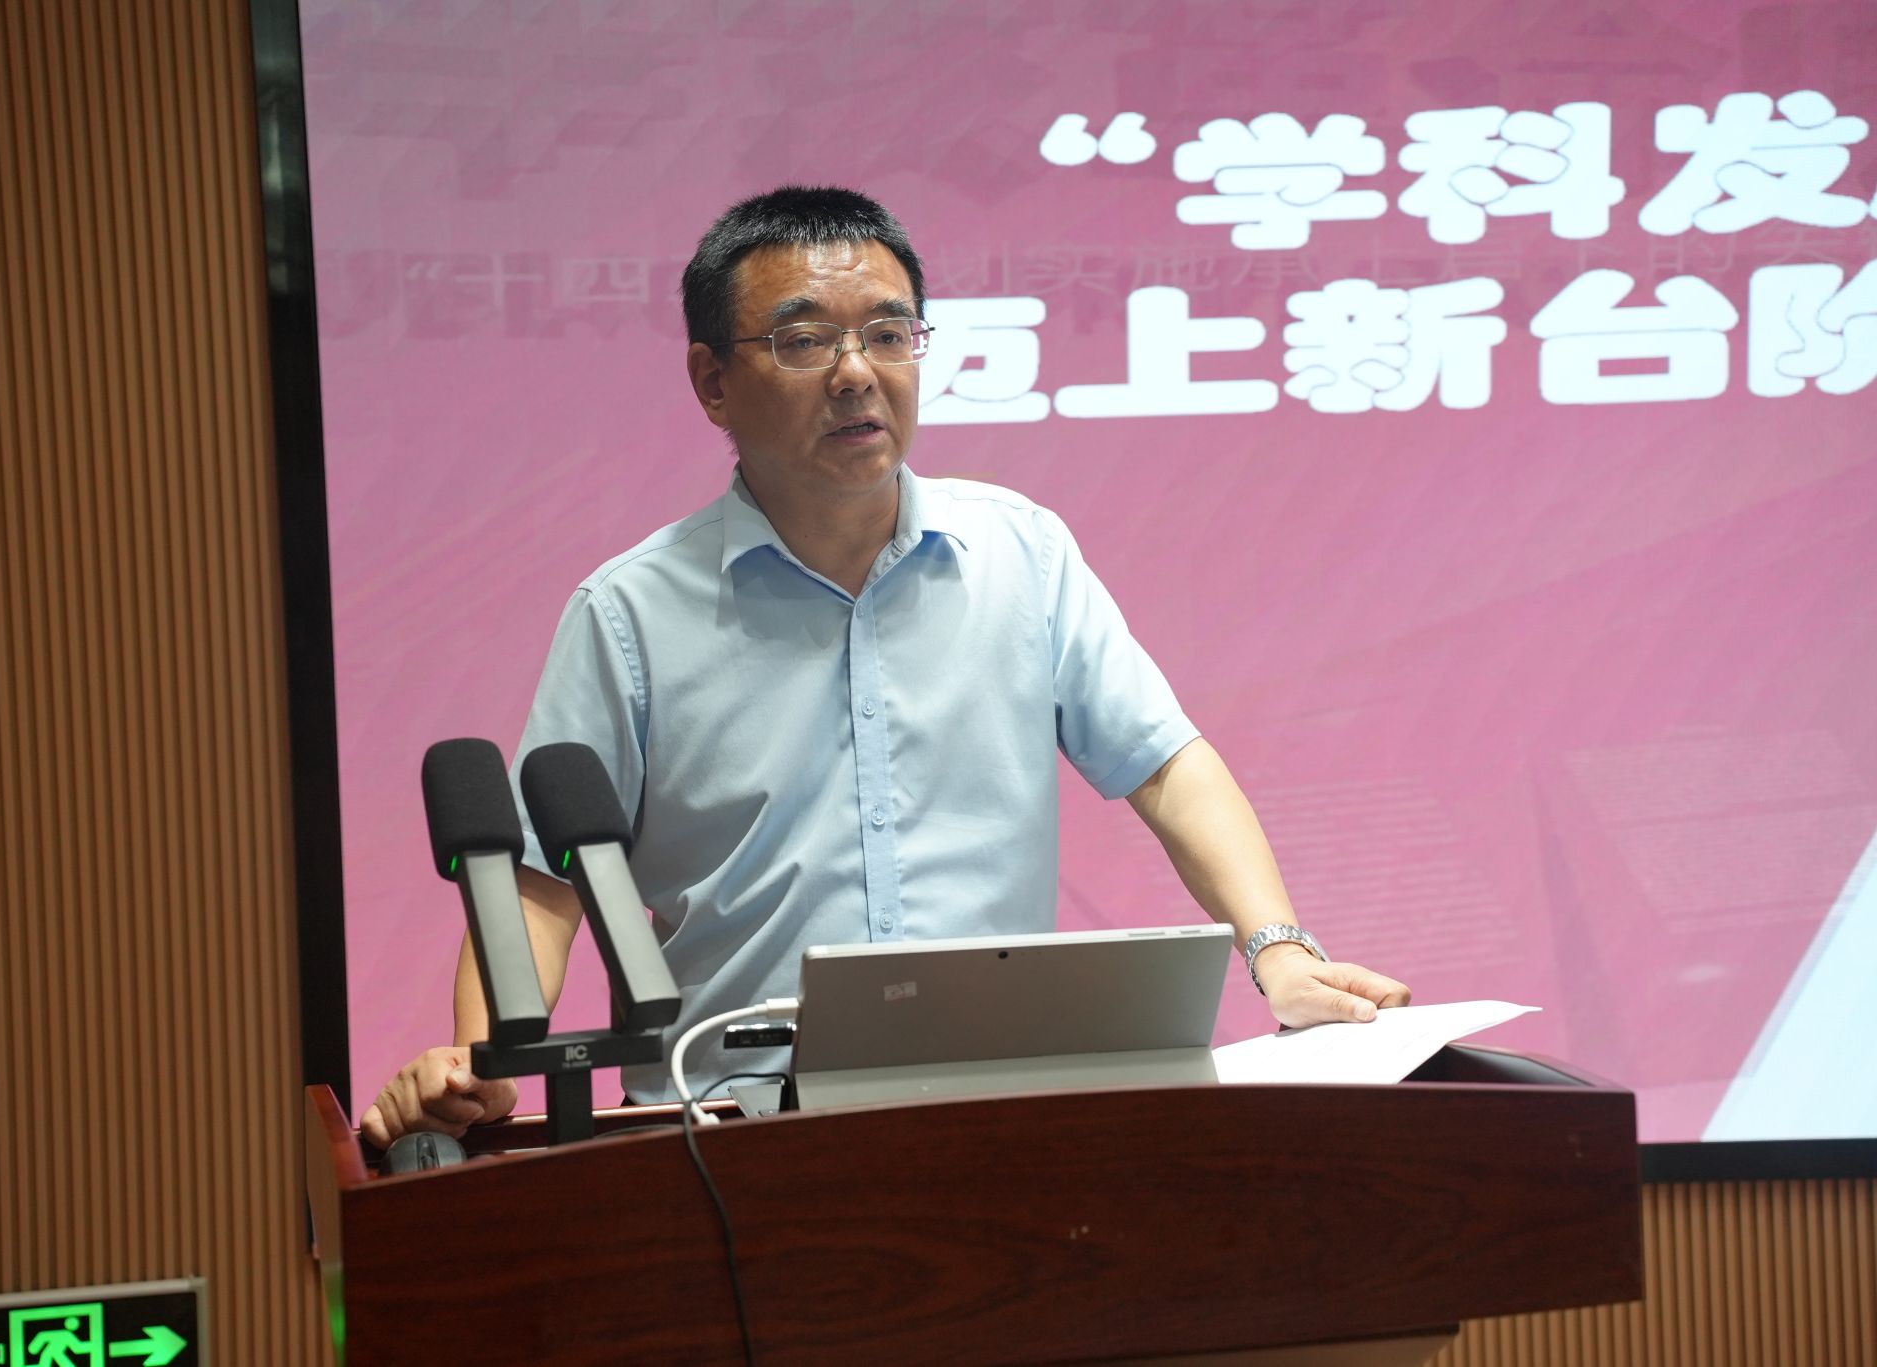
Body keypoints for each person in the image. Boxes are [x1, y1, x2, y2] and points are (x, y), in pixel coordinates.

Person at [361, 186, 1410, 1147]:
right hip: (733, 1136)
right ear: (713, 381)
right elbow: (543, 877)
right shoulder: (630, 614)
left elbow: (1167, 765)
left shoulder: (1020, 554)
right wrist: (485, 1057)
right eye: (804, 339)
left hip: (1002, 1107)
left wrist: (1278, 949)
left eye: (887, 333)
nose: (856, 372)